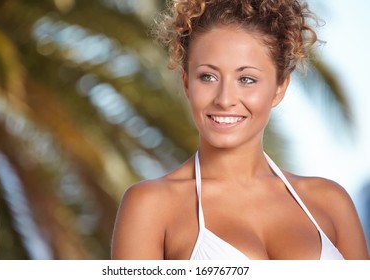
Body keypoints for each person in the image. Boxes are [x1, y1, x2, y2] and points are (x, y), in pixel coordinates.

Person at [111, 0, 369, 260]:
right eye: (208, 77)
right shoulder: (151, 205)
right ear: (187, 83)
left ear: (280, 87)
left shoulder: (330, 202)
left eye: (246, 79)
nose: (224, 99)